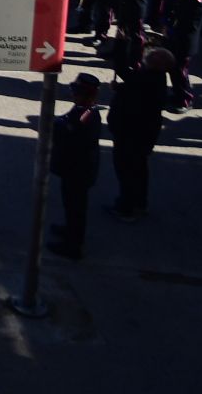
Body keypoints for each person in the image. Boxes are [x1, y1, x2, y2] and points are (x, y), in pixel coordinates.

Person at [107, 48, 169, 222]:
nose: (145, 57)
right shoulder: (154, 78)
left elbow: (123, 72)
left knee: (126, 169)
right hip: (142, 134)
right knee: (139, 169)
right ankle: (139, 203)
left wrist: (119, 45)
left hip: (131, 133)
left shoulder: (147, 78)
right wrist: (119, 88)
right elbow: (133, 87)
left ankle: (127, 207)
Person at [47, 73, 103, 260]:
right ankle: (69, 230)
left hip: (78, 169)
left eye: (76, 92)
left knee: (76, 207)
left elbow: (74, 136)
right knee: (69, 202)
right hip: (73, 168)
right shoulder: (82, 109)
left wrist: (58, 128)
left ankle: (73, 245)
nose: (73, 95)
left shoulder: (87, 114)